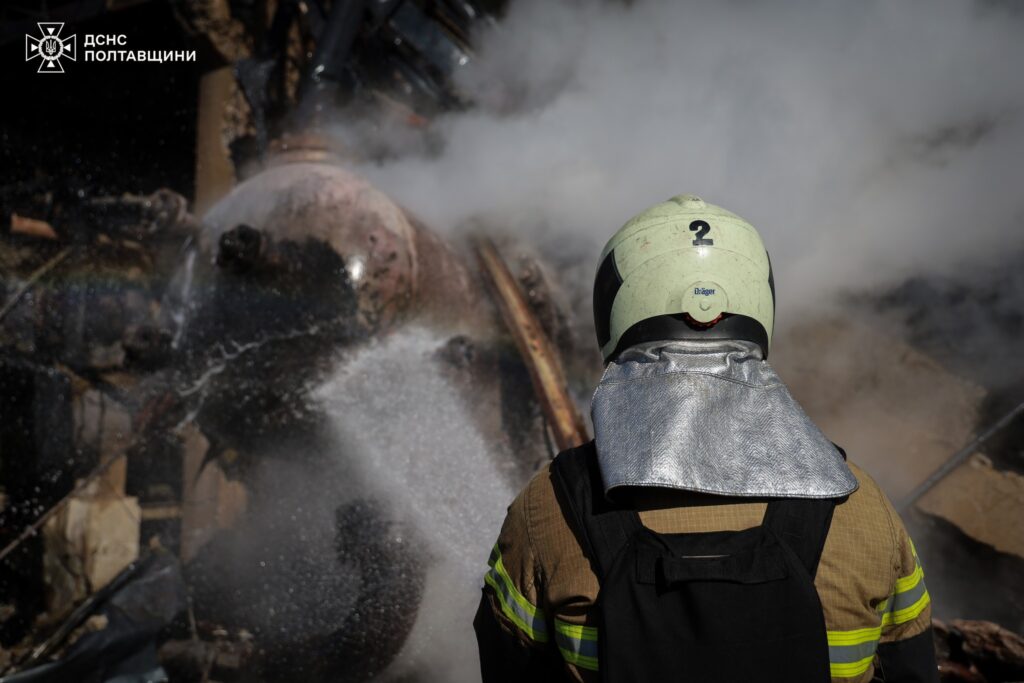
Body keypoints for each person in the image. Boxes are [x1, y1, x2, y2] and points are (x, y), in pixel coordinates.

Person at [474, 195, 938, 682]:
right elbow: (913, 669)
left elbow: (508, 667)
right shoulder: (862, 508)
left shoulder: (548, 508)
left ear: (614, 307)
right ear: (760, 301)